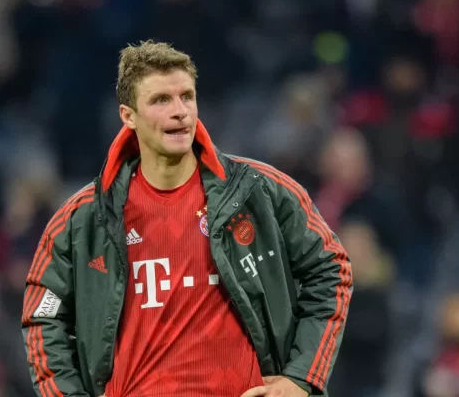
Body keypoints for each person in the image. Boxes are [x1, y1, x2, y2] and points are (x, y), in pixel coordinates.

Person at [21, 40, 353, 397]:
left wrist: (301, 378)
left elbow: (330, 268)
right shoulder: (82, 220)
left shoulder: (259, 192)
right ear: (128, 116)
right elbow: (43, 315)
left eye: (187, 97)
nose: (179, 111)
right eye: (161, 100)